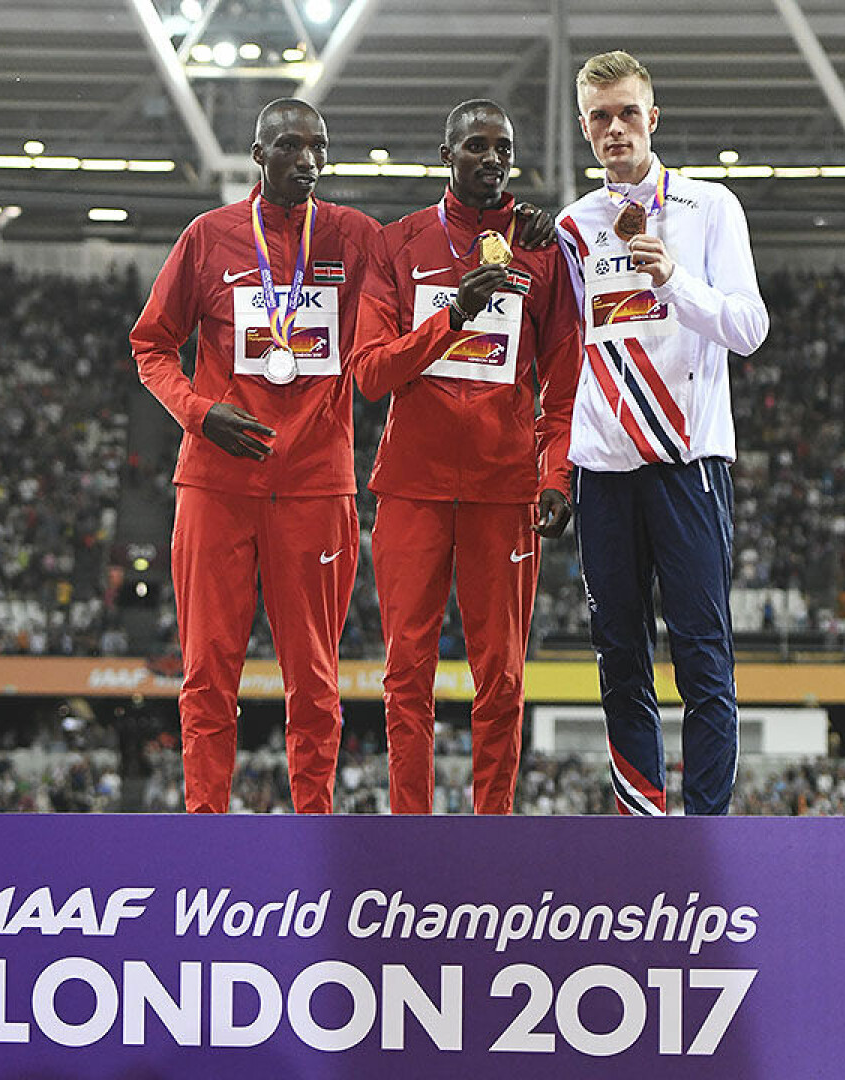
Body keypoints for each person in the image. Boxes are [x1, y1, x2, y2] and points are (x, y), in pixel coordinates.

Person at [130, 98, 380, 814]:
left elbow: (431, 255)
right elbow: (151, 345)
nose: (308, 160)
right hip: (217, 485)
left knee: (316, 678)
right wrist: (199, 412)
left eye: (319, 146)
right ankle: (206, 827)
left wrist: (511, 231)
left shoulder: (356, 237)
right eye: (291, 146)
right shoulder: (209, 237)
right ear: (258, 155)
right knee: (208, 673)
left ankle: (314, 830)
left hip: (316, 486)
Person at [353, 99, 582, 815]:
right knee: (406, 673)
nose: (492, 159)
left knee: (503, 676)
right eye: (476, 146)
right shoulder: (397, 245)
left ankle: (493, 831)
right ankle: (410, 828)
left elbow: (565, 384)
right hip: (412, 487)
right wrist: (451, 316)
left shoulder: (541, 249)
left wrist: (556, 475)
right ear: (446, 154)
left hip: (503, 490)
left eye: (503, 148)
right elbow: (370, 373)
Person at [556, 51, 769, 816]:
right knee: (619, 656)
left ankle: (707, 828)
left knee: (703, 655)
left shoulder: (711, 207)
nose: (615, 128)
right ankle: (640, 823)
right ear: (585, 127)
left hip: (687, 461)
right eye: (599, 117)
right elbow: (572, 347)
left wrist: (675, 280)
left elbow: (749, 327)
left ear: (653, 117)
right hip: (602, 466)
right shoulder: (573, 226)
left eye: (627, 113)